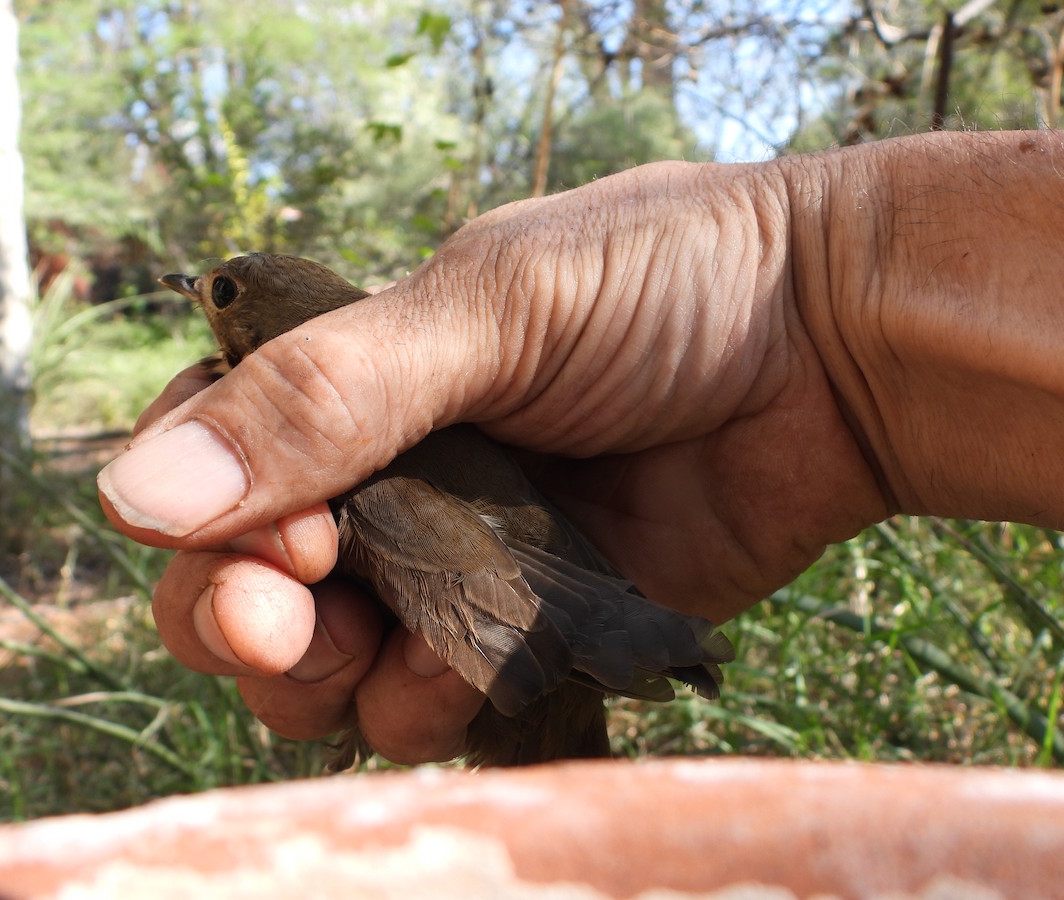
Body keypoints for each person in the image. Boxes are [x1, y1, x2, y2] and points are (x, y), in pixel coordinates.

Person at [98, 129, 1064, 765]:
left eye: (221, 294)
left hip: (536, 633)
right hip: (547, 614)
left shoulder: (309, 396)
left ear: (255, 338)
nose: (204, 295)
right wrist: (817, 309)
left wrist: (815, 301)